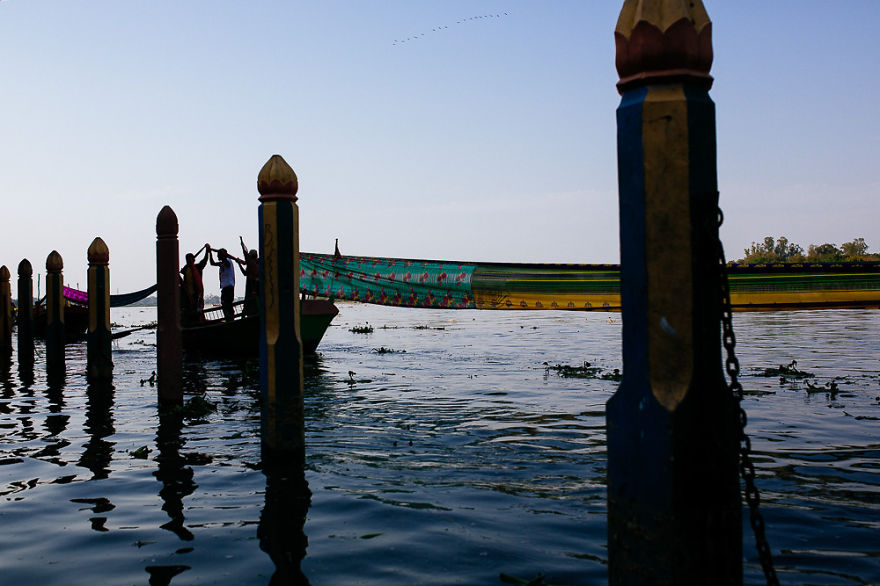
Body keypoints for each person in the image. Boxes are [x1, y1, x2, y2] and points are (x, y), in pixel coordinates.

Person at [180, 244, 209, 325]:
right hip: (188, 294)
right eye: (187, 260)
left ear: (193, 260)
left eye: (189, 259)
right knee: (190, 310)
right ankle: (191, 323)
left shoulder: (197, 267)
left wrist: (207, 251)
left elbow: (205, 260)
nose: (188, 261)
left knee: (197, 309)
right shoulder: (186, 269)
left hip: (196, 294)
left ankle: (199, 321)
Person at [209, 245, 237, 322]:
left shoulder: (228, 261)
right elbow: (212, 263)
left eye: (218, 255)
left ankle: (230, 319)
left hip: (229, 287)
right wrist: (209, 252)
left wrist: (222, 254)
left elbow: (227, 263)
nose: (217, 257)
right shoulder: (222, 263)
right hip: (225, 287)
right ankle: (229, 319)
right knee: (225, 304)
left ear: (223, 255)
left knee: (226, 303)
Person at [238, 236, 260, 316]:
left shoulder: (252, 264)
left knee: (250, 307)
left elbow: (245, 273)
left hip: (252, 288)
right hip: (254, 288)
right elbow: (245, 273)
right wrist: (239, 264)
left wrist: (239, 264)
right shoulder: (257, 263)